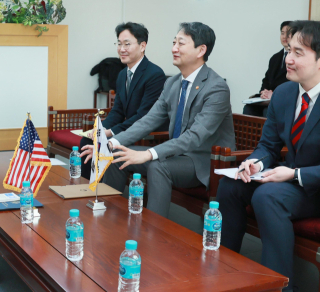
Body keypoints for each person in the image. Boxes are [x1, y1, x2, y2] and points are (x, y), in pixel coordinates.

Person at [216, 20, 320, 292]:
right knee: (233, 185)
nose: (288, 58)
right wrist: (257, 162)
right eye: (289, 50)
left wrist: (295, 175)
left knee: (268, 196)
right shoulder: (285, 94)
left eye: (298, 52)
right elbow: (269, 145)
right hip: (288, 180)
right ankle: (225, 271)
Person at [83, 22, 235, 218]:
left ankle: (153, 233)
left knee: (158, 166)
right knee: (116, 154)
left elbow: (195, 136)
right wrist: (109, 143)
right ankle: (110, 219)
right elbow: (148, 120)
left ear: (201, 50)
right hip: (174, 154)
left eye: (181, 43)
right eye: (174, 42)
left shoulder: (216, 88)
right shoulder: (172, 83)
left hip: (203, 161)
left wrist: (149, 153)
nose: (174, 48)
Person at [80, 22, 167, 177]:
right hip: (127, 127)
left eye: (127, 44)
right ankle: (86, 187)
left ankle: (101, 191)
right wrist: (100, 130)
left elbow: (143, 116)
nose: (122, 49)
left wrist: (110, 132)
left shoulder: (155, 74)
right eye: (119, 44)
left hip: (146, 134)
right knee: (88, 140)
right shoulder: (122, 74)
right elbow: (117, 111)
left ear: (142, 46)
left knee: (100, 143)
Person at [243, 21, 292, 117]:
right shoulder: (275, 58)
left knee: (268, 110)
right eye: (282, 33)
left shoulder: (298, 59)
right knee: (249, 109)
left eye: (288, 33)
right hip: (269, 100)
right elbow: (266, 79)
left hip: (285, 100)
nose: (284, 36)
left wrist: (274, 94)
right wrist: (264, 92)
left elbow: (293, 84)